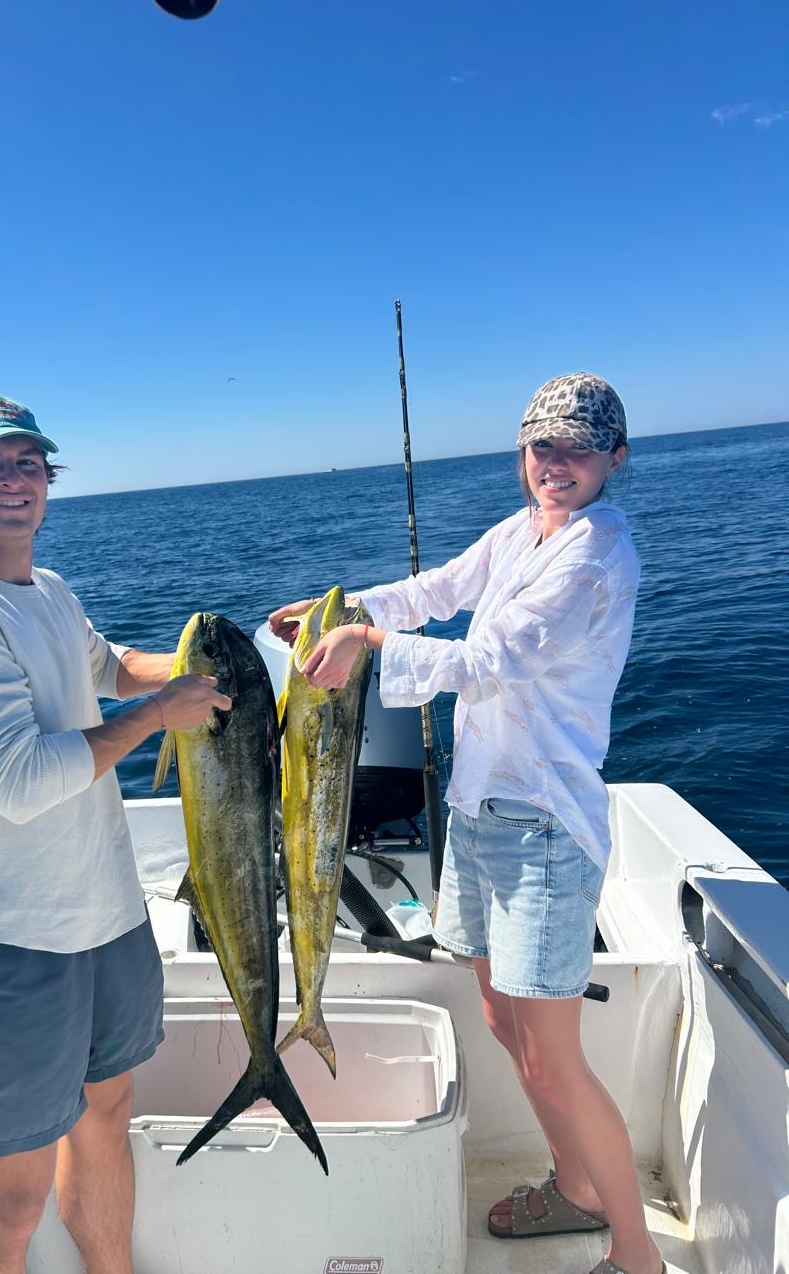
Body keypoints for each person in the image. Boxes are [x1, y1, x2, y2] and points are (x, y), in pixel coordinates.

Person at [269, 373, 664, 1274]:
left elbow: (493, 656)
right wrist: (347, 608)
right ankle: (576, 1187)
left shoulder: (595, 552)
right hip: (479, 815)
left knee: (555, 1057)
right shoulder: (524, 530)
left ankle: (638, 1255)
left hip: (545, 829)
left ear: (616, 458)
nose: (555, 464)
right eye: (541, 446)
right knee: (500, 1020)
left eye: (577, 447)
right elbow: (440, 588)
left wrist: (365, 647)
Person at [0, 393, 231, 1274]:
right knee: (7, 1201)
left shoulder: (50, 592)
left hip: (103, 916)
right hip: (5, 944)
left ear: (49, 480)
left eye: (28, 465)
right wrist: (159, 713)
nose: (12, 482)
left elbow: (109, 667)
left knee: (106, 1120)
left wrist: (224, 670)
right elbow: (18, 780)